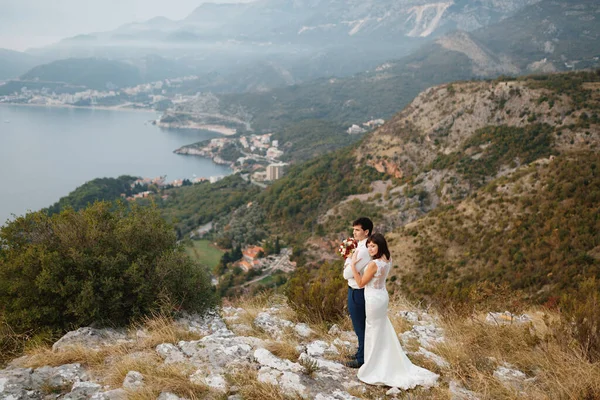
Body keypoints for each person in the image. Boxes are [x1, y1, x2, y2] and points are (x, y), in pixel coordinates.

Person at [349, 233, 439, 389]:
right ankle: (385, 358)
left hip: (373, 299)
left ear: (380, 246)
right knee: (381, 328)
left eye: (373, 246)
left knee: (373, 329)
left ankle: (374, 364)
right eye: (368, 245)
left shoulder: (373, 264)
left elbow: (361, 283)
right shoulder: (387, 259)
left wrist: (353, 267)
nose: (370, 249)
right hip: (382, 296)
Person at [342, 217, 373, 368]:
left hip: (357, 291)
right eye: (353, 229)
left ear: (366, 232)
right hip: (355, 289)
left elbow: (346, 274)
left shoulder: (363, 250)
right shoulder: (360, 246)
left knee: (360, 325)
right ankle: (361, 352)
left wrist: (348, 259)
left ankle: (361, 359)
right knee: (358, 324)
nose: (354, 233)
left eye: (357, 230)